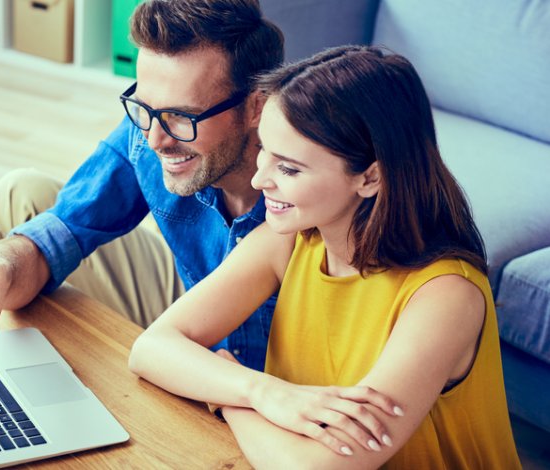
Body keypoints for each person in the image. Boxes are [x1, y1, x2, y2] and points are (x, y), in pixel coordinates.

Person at [128, 45, 522, 468]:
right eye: (265, 150)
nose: (261, 179)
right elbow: (151, 348)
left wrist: (228, 399)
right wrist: (262, 391)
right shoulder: (290, 241)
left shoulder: (446, 296)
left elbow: (317, 466)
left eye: (289, 168)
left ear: (370, 176)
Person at [0, 0, 286, 371]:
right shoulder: (151, 133)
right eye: (146, 108)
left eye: (182, 116)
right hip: (188, 303)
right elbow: (66, 228)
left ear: (257, 106)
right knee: (22, 193)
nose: (155, 140)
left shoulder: (311, 181)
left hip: (277, 370)